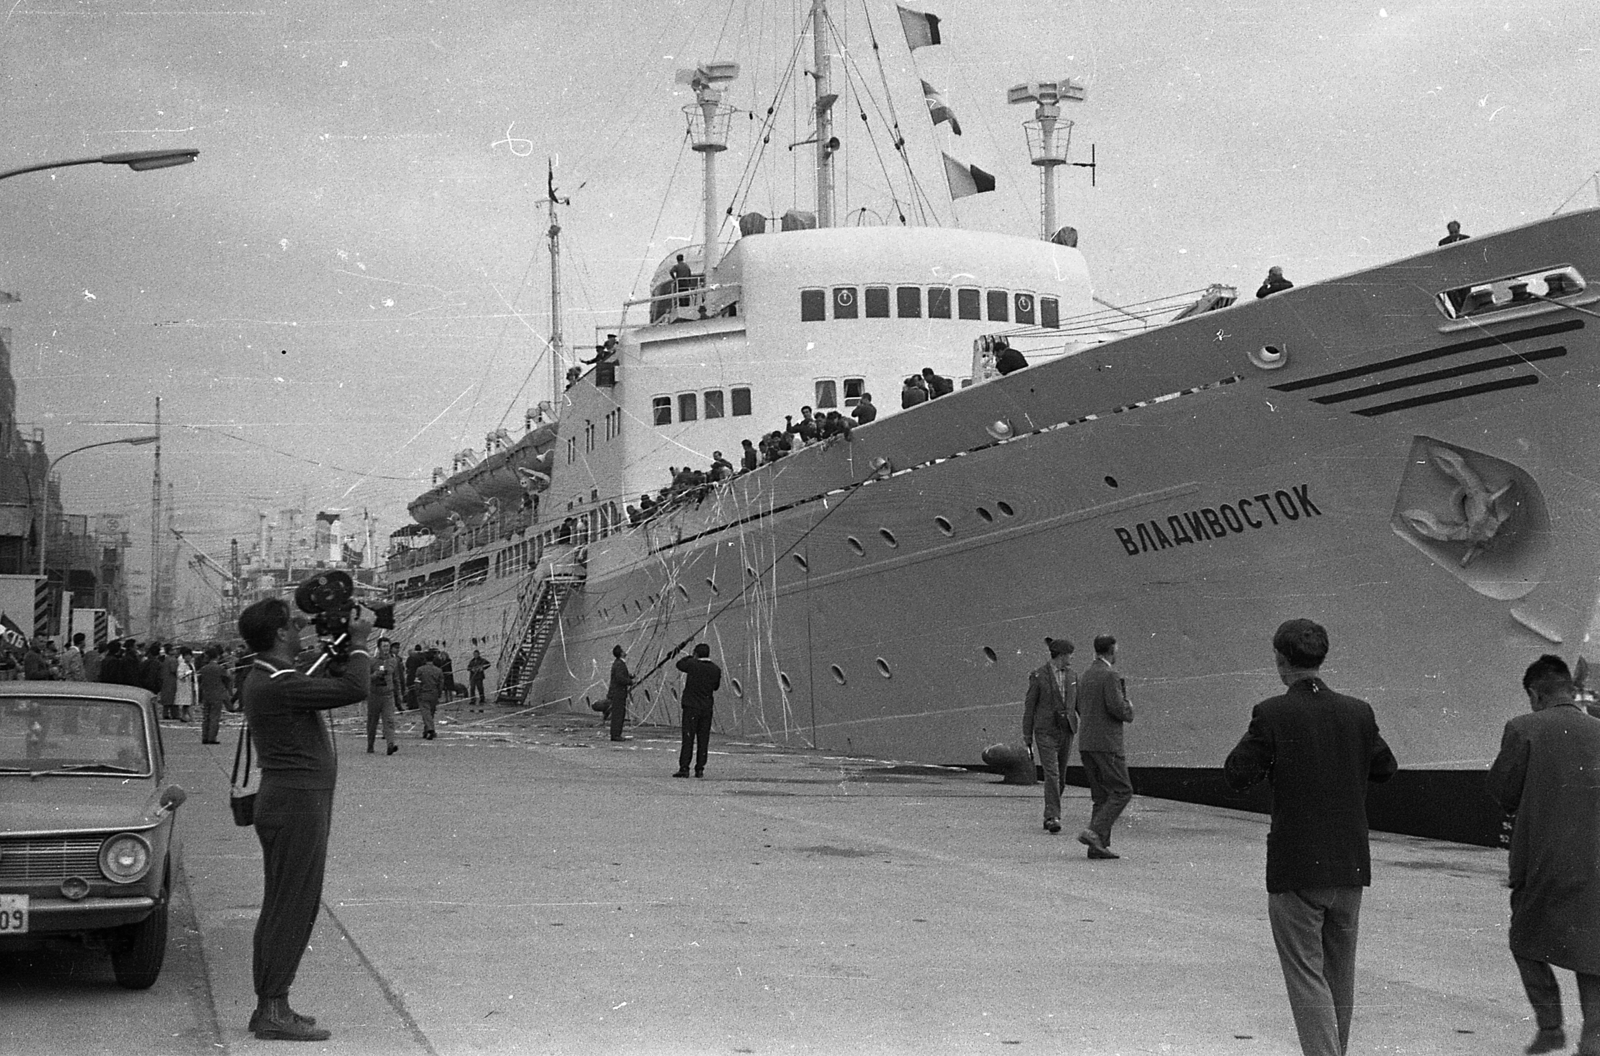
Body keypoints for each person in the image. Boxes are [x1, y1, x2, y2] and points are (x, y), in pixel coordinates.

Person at [1224, 618, 1398, 1056]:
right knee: (1340, 976)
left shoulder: (1272, 713)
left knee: (1306, 978)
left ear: (1281, 661)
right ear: (1322, 658)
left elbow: (1236, 773)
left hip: (1297, 867)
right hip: (1350, 866)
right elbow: (1386, 768)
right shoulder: (1359, 711)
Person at [238, 596, 371, 1042]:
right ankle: (272, 1008)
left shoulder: (269, 676)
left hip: (292, 800)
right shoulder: (279, 683)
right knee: (293, 904)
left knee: (285, 902)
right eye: (294, 625)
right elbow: (355, 688)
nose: (301, 630)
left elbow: (315, 674)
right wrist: (359, 644)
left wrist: (334, 651)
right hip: (297, 803)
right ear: (278, 634)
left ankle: (274, 1002)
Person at [1486, 654, 1600, 1056]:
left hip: (1543, 863)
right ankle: (1594, 1039)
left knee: (1525, 941)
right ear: (1570, 689)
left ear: (1535, 695)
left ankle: (1551, 1026)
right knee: (1593, 954)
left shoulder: (1523, 729)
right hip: (1596, 865)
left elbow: (1503, 792)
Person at [1075, 634, 1134, 858]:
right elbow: (1118, 709)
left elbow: (1078, 706)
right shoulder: (1110, 675)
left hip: (1087, 742)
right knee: (1122, 790)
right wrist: (1129, 708)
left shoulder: (1086, 675)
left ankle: (1098, 846)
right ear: (1111, 650)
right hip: (1107, 743)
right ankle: (1095, 832)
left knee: (1100, 795)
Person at [1022, 637, 1078, 834]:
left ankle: (1049, 813)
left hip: (1066, 730)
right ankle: (1054, 816)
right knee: (1052, 774)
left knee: (1061, 776)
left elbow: (1078, 705)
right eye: (1069, 654)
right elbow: (1030, 707)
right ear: (1061, 655)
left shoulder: (1072, 675)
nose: (1071, 657)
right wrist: (1027, 736)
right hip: (1045, 731)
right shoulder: (1038, 676)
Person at [673, 643, 722, 777]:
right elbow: (716, 687)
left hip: (691, 706)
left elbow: (679, 664)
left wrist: (690, 657)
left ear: (696, 653)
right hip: (706, 707)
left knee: (688, 738)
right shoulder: (716, 669)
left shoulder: (692, 665)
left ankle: (684, 768)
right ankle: (700, 768)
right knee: (703, 739)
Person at [367, 638, 401, 755]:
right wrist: (375, 675)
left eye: (388, 646)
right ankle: (370, 745)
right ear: (379, 647)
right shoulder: (372, 661)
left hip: (388, 695)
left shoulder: (393, 660)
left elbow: (395, 677)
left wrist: (399, 695)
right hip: (374, 695)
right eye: (384, 646)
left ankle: (390, 744)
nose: (386, 649)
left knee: (389, 720)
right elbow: (366, 678)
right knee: (372, 722)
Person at [197, 646, 233, 744]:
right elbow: (228, 677)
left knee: (206, 716)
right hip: (217, 694)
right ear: (217, 656)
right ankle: (212, 737)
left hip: (206, 693)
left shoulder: (204, 668)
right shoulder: (220, 668)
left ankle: (205, 736)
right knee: (214, 716)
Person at [606, 644, 633, 742]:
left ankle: (616, 734)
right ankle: (616, 735)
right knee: (618, 714)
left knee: (618, 714)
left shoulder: (617, 663)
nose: (625, 651)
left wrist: (629, 676)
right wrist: (630, 681)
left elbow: (620, 675)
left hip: (617, 693)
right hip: (618, 693)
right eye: (623, 650)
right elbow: (619, 678)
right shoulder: (620, 664)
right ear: (621, 653)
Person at [414, 650, 443, 739]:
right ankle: (426, 730)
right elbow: (441, 684)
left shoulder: (420, 670)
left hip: (423, 693)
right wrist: (439, 693)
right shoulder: (438, 670)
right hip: (434, 694)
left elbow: (417, 682)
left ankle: (430, 729)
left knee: (426, 713)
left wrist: (417, 692)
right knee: (431, 713)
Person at [175, 646, 198, 723]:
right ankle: (192, 718)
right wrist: (187, 673)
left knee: (187, 702)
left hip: (191, 684)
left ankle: (183, 716)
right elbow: (180, 675)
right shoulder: (182, 665)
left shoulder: (191, 664)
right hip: (184, 685)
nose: (188, 657)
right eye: (186, 656)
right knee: (188, 703)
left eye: (189, 656)